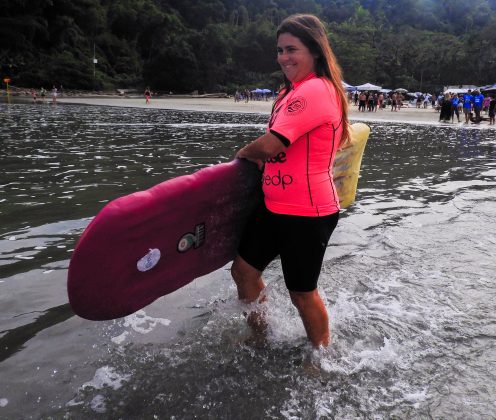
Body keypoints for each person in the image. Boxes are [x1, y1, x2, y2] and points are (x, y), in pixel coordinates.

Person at [231, 14, 349, 348]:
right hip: (275, 206)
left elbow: (271, 145)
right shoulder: (292, 91)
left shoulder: (314, 90)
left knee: (301, 293)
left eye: (292, 49)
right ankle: (261, 336)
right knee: (243, 271)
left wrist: (244, 152)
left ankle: (321, 356)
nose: (283, 57)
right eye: (280, 50)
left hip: (307, 213)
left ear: (314, 50)